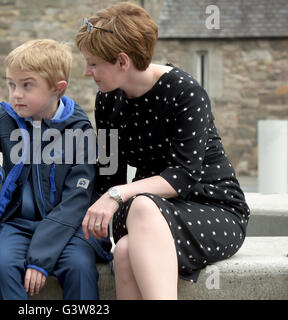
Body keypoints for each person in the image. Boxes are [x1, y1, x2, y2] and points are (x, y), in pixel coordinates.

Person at [76, 2, 250, 300]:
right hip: (145, 213)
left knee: (141, 213)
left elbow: (182, 176)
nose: (86, 72)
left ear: (122, 61)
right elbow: (109, 173)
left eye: (92, 64)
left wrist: (116, 195)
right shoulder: (106, 101)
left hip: (213, 209)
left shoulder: (185, 92)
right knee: (125, 251)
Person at [0, 39, 112, 300]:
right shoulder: (4, 119)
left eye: (27, 85)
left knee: (79, 268)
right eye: (11, 84)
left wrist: (40, 259)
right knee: (0, 267)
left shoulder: (80, 131)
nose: (16, 94)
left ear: (57, 89)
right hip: (15, 224)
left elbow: (76, 201)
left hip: (68, 228)